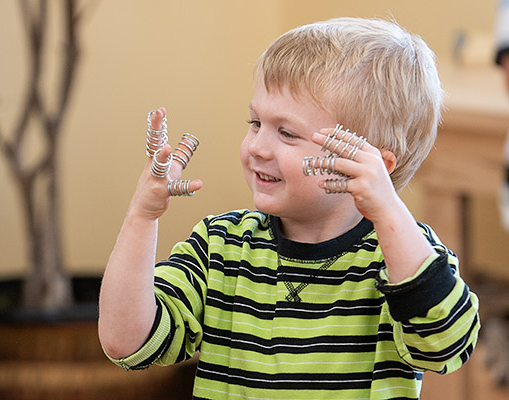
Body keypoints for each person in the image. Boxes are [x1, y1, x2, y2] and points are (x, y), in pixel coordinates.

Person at [98, 17, 480, 399]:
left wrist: (388, 210)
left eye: (286, 132)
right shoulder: (220, 248)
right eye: (255, 122)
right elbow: (126, 342)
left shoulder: (404, 259)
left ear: (370, 165)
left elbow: (446, 344)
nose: (258, 147)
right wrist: (142, 217)